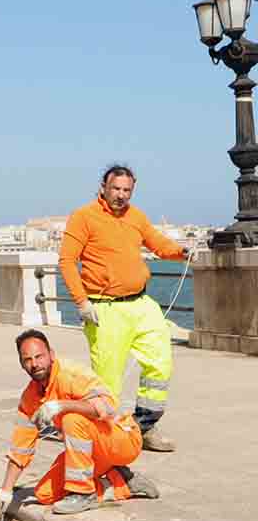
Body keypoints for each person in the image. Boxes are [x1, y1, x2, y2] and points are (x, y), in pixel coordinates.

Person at [58, 164, 188, 452]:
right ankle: (108, 437)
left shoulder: (136, 216)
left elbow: (158, 244)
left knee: (160, 363)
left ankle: (144, 427)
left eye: (126, 190)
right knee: (108, 382)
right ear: (104, 187)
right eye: (115, 188)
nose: (120, 195)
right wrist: (82, 302)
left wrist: (183, 252)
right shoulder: (84, 216)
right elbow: (67, 261)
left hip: (142, 304)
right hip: (105, 310)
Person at [0, 330, 159, 516]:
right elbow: (21, 449)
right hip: (92, 451)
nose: (34, 364)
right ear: (21, 364)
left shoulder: (71, 374)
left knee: (71, 419)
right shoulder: (30, 397)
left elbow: (108, 407)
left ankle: (83, 493)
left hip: (122, 439)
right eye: (28, 359)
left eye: (39, 356)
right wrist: (6, 490)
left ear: (51, 355)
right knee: (44, 494)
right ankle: (121, 482)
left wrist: (61, 406)